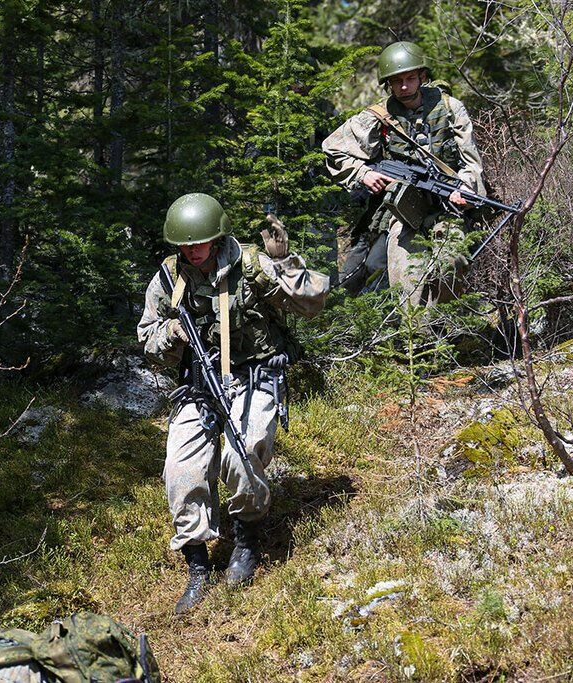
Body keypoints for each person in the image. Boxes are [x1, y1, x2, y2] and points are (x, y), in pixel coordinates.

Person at [137, 193, 329, 614]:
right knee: (181, 469)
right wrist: (171, 336)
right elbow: (147, 336)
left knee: (243, 457)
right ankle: (198, 564)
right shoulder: (168, 279)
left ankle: (245, 538)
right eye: (185, 245)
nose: (193, 250)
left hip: (253, 374)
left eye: (200, 242)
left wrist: (285, 262)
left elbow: (313, 302)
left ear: (218, 236)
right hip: (200, 382)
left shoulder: (253, 265)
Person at [322, 41, 486, 307]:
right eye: (397, 81)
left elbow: (471, 162)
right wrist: (362, 173)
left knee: (452, 264)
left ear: (423, 76)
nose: (405, 87)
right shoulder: (378, 116)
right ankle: (415, 340)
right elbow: (333, 148)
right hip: (405, 214)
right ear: (388, 84)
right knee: (406, 280)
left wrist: (466, 188)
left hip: (448, 208)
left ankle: (445, 329)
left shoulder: (450, 108)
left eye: (411, 78)